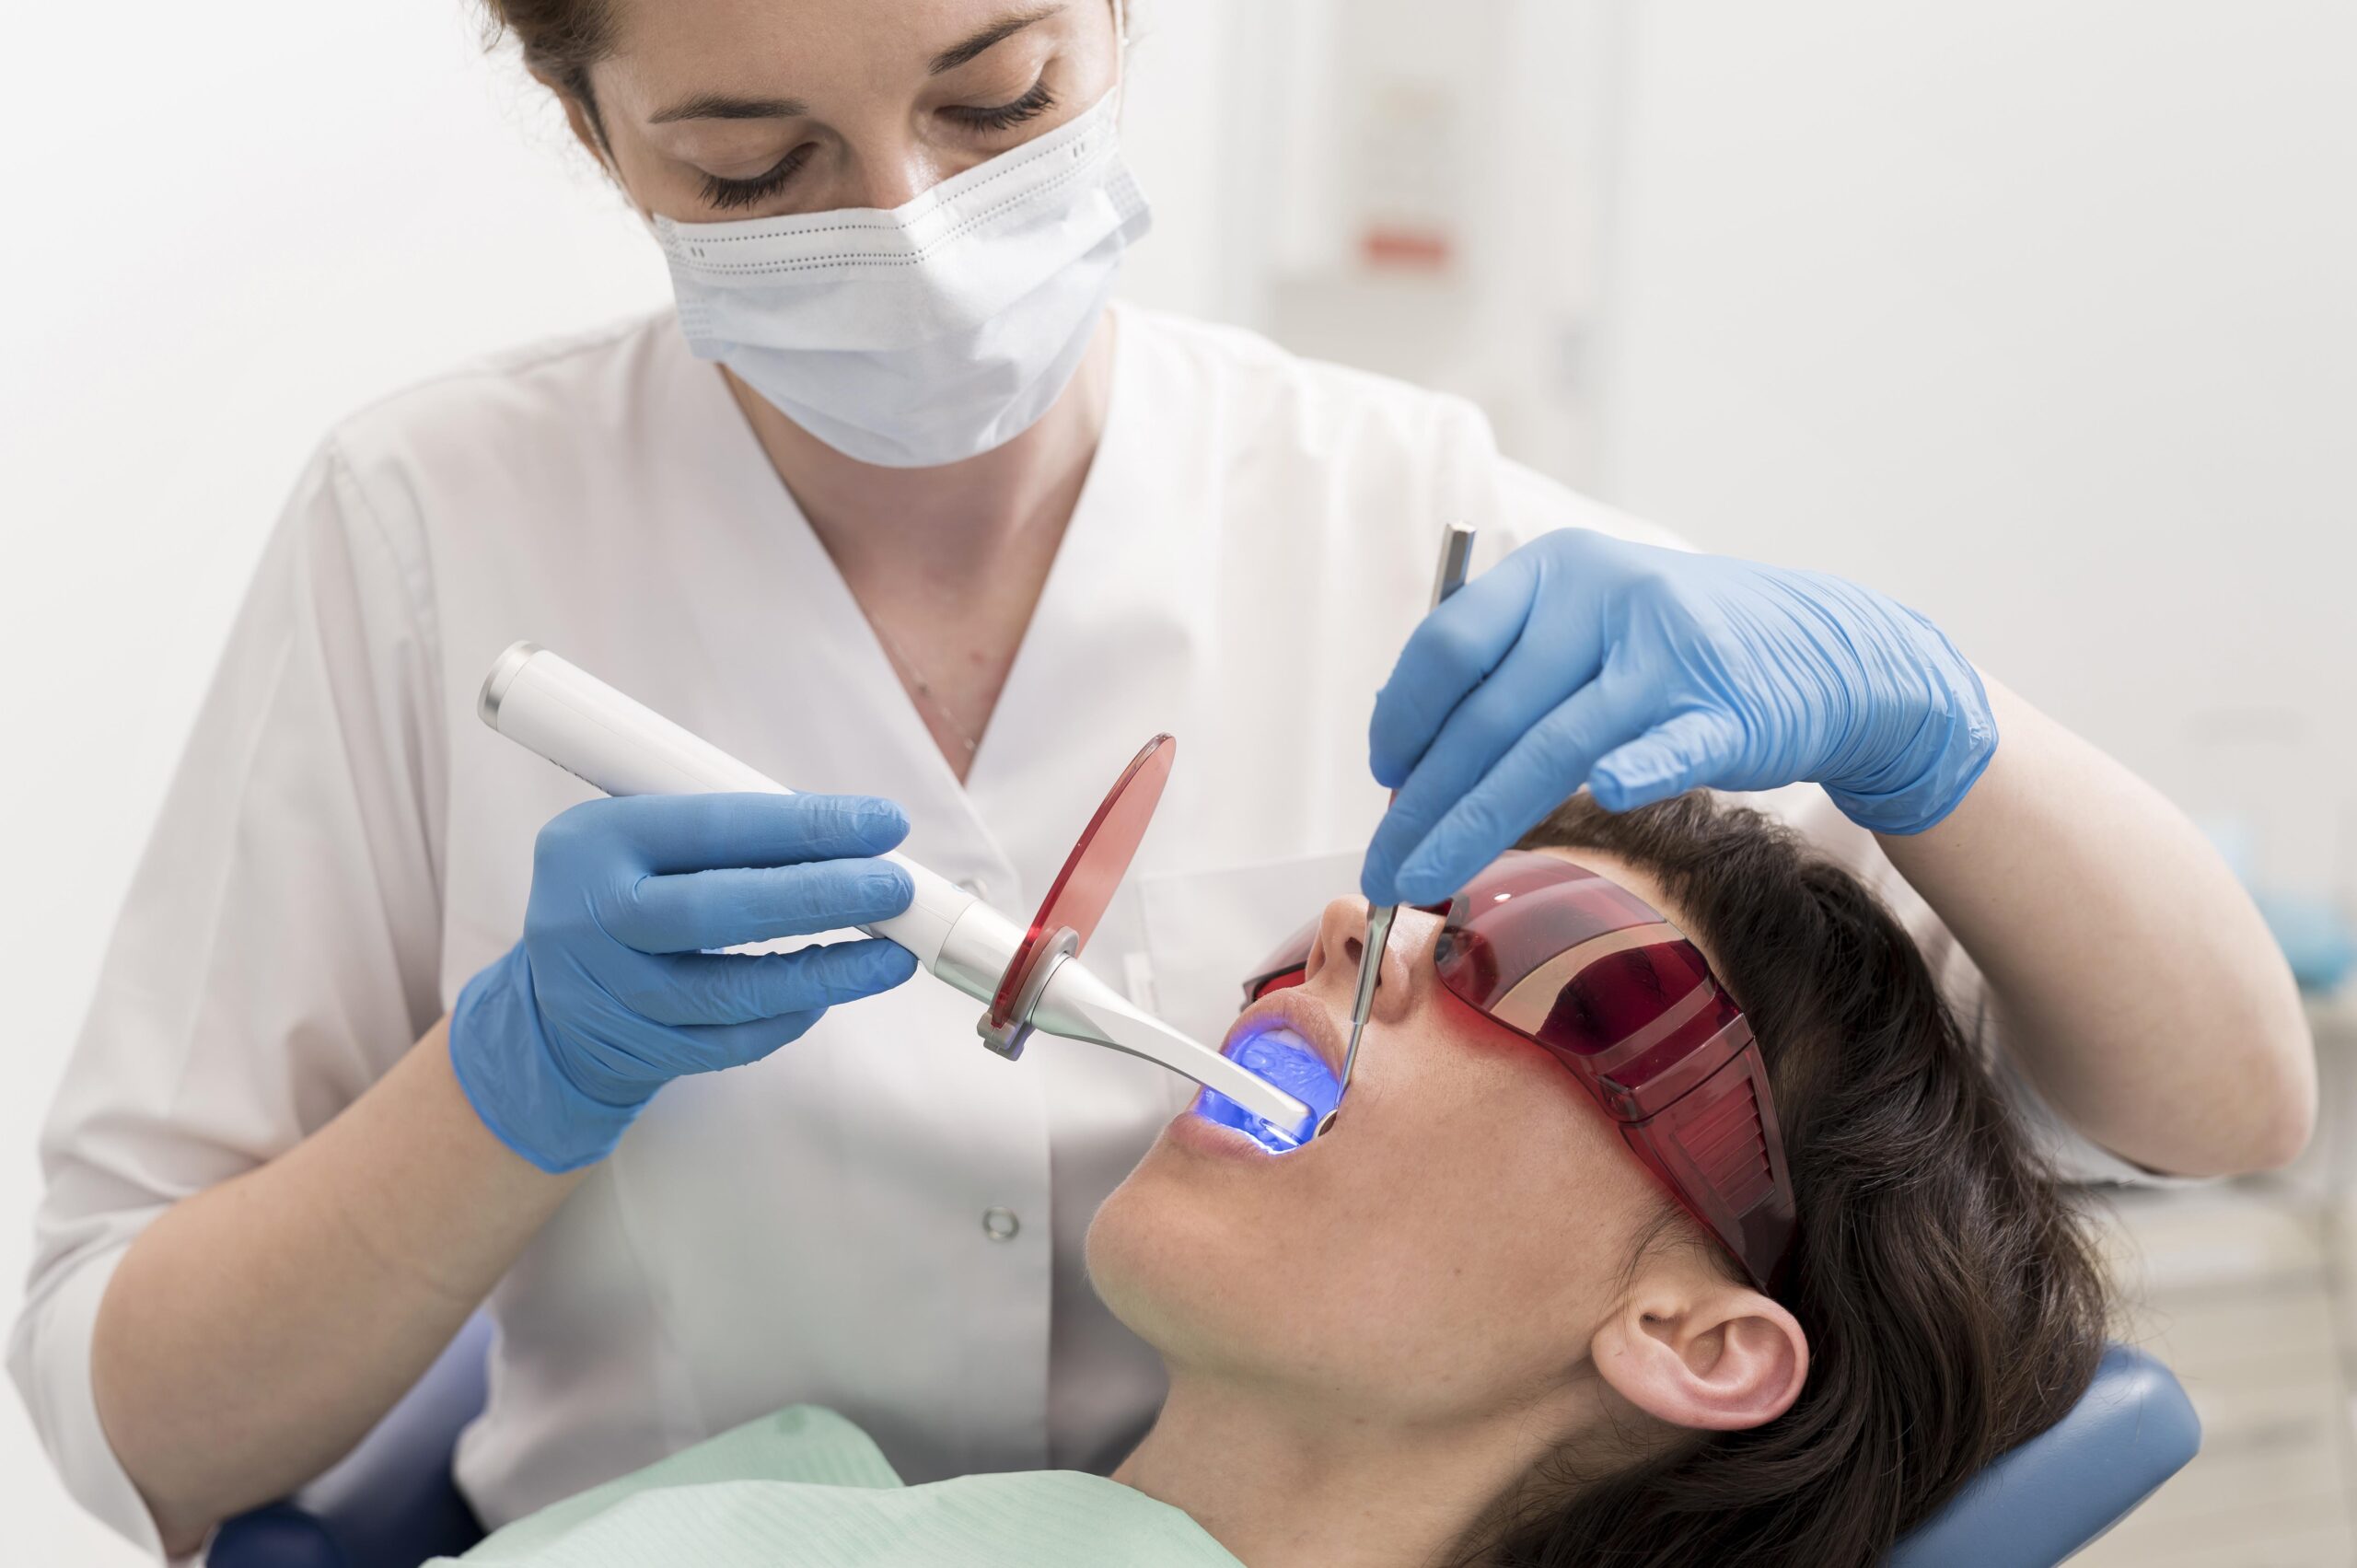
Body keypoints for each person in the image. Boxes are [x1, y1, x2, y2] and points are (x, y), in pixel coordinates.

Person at [7, 0, 2306, 1557]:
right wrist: (500, 1095)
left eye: (995, 96)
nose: (904, 216)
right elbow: (141, 1427)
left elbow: (2213, 1113)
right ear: (596, 130)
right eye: (749, 159)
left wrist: (1926, 712)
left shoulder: (1409, 516)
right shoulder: (432, 535)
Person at [431, 794, 2114, 1568]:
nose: (1337, 933)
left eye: (1546, 972)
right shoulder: (803, 1495)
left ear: (1696, 1335)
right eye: (1413, 917)